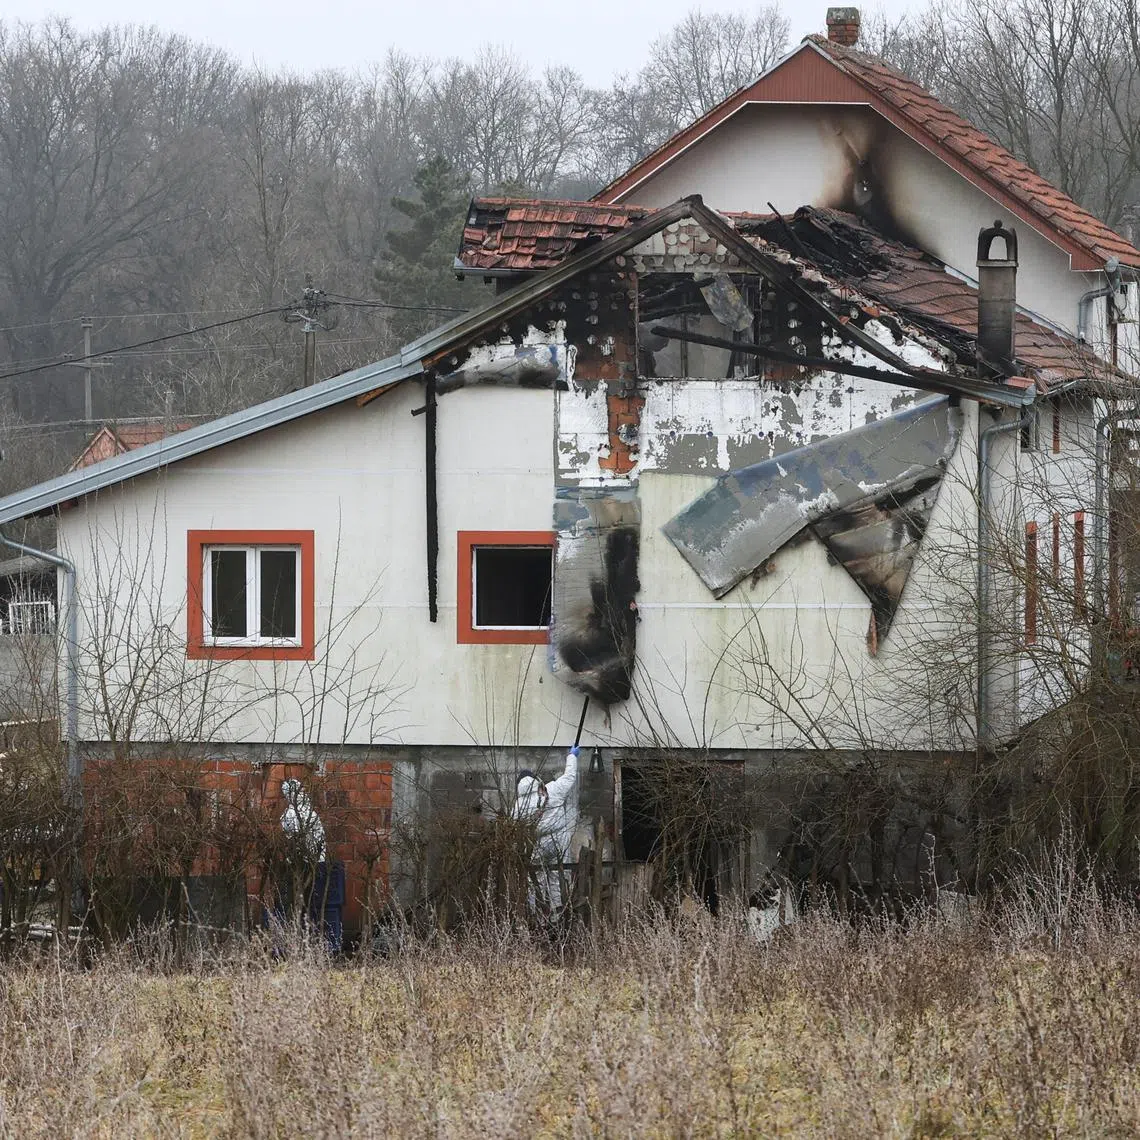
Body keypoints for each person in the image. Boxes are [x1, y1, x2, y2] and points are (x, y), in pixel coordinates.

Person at [512, 747, 580, 915]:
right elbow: (569, 777)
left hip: (537, 844)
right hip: (559, 840)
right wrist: (572, 756)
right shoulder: (551, 790)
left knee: (537, 881)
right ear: (535, 780)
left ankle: (537, 918)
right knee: (559, 879)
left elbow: (514, 828)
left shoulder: (518, 805)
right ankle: (558, 917)